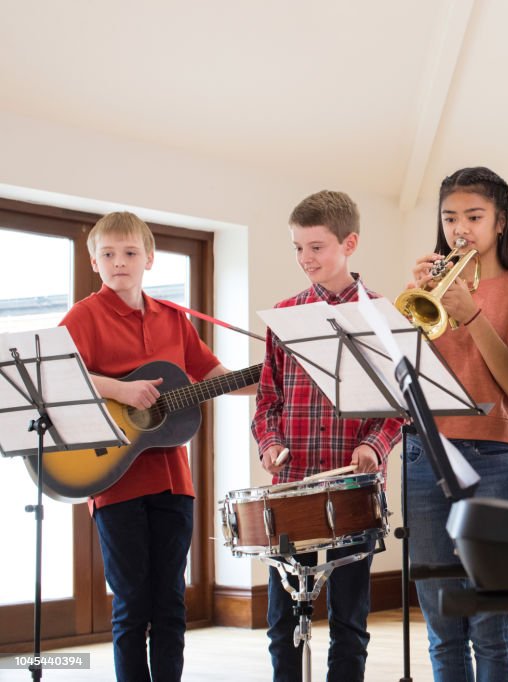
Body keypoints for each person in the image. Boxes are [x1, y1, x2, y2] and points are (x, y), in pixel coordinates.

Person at [60, 211, 254, 682]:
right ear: (94, 261)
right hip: (113, 481)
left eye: (129, 253)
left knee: (170, 601)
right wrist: (121, 391)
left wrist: (270, 376)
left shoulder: (173, 318)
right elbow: (60, 377)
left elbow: (213, 377)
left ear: (149, 258)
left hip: (173, 481)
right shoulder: (84, 316)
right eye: (108, 254)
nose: (119, 262)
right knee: (131, 603)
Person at [403, 166, 508, 681]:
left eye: (473, 216)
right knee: (441, 619)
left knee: (489, 619)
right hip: (425, 453)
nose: (460, 228)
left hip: (492, 453)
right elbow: (402, 373)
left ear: (501, 222)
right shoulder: (427, 289)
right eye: (449, 218)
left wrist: (470, 314)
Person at [251, 190, 404, 682]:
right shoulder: (284, 315)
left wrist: (373, 446)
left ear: (349, 243)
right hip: (292, 486)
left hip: (353, 487)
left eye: (316, 247)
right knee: (282, 620)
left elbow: (399, 408)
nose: (305, 259)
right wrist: (270, 443)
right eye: (298, 247)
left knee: (349, 620)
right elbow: (266, 402)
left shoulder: (382, 315)